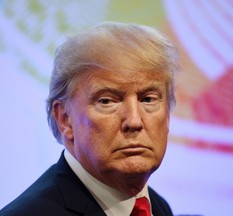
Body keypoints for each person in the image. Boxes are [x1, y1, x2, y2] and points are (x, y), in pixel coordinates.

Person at [0, 22, 179, 216]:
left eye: (148, 99)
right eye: (107, 101)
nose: (134, 121)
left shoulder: (156, 206)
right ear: (65, 119)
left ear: (168, 114)